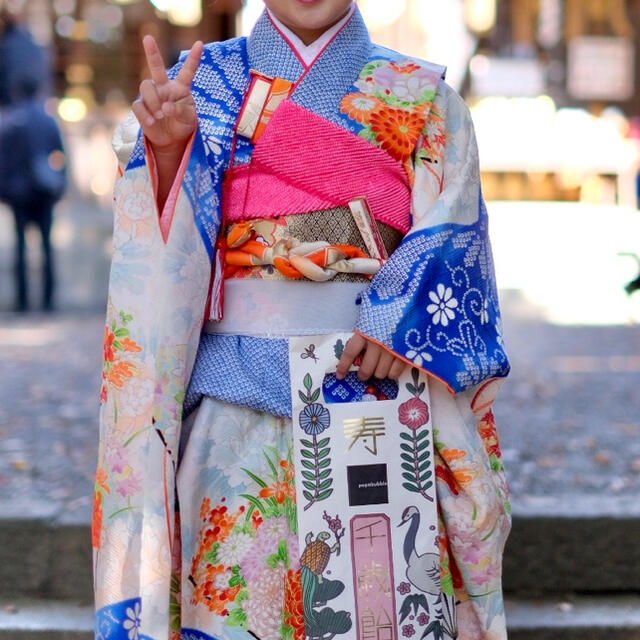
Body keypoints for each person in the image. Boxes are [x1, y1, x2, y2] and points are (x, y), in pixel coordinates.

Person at [93, 1, 511, 639]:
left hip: (373, 393)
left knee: (375, 605)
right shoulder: (199, 85)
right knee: (234, 611)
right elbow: (156, 251)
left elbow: (455, 226)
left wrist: (400, 320)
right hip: (232, 401)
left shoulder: (424, 97)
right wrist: (172, 155)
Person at [0, 76, 66, 311]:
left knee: (20, 248)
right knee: (47, 247)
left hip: (18, 194)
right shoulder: (47, 121)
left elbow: (3, 161)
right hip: (44, 191)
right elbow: (61, 155)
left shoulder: (10, 121)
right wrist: (60, 185)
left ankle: (23, 301)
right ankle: (48, 301)